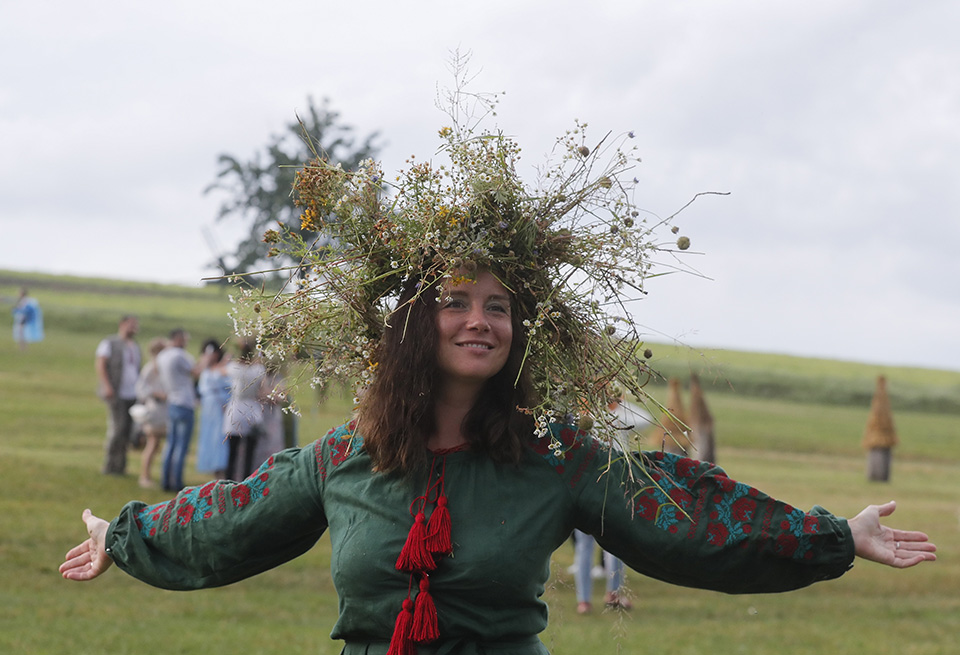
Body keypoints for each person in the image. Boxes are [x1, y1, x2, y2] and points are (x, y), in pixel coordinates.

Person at [60, 105, 936, 655]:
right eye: (454, 301)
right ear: (413, 324)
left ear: (520, 332)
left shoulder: (555, 458)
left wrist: (831, 535)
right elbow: (232, 519)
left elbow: (688, 518)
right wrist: (126, 535)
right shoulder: (347, 459)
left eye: (499, 306)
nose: (480, 318)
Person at [94, 315, 141, 475]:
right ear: (122, 324)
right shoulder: (110, 343)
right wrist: (106, 386)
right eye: (131, 324)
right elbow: (101, 364)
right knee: (117, 429)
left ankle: (121, 465)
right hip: (116, 392)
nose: (134, 327)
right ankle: (110, 465)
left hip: (132, 393)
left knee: (128, 430)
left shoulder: (135, 346)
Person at [155, 328, 198, 492]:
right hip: (184, 402)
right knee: (181, 445)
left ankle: (165, 479)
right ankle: (177, 482)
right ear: (179, 338)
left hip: (171, 401)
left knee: (170, 443)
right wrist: (207, 361)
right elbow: (195, 372)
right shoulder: (180, 355)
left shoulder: (162, 356)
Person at [223, 339, 267, 481]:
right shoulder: (258, 370)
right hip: (252, 409)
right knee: (250, 452)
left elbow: (222, 370)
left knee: (232, 451)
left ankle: (229, 479)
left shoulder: (234, 368)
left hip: (236, 409)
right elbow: (262, 389)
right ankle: (246, 480)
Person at [132, 337, 169, 488]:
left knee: (156, 444)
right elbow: (141, 389)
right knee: (152, 443)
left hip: (163, 410)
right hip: (155, 409)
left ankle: (151, 475)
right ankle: (144, 476)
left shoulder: (161, 368)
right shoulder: (149, 369)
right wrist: (157, 394)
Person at [195, 339, 231, 480]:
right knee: (209, 437)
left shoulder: (222, 369)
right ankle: (212, 467)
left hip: (219, 406)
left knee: (219, 437)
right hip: (208, 408)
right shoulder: (205, 369)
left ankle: (221, 469)